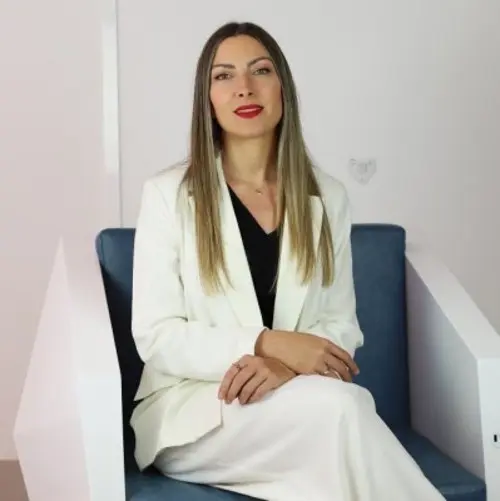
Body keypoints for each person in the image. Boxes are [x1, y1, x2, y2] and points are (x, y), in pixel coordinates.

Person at [130, 21, 446, 501]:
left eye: (260, 70)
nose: (244, 88)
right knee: (342, 410)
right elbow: (157, 337)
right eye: (224, 76)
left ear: (283, 89)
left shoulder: (327, 197)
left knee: (330, 460)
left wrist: (288, 370)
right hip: (198, 412)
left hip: (299, 400)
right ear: (207, 100)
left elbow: (341, 324)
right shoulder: (168, 196)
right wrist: (266, 345)